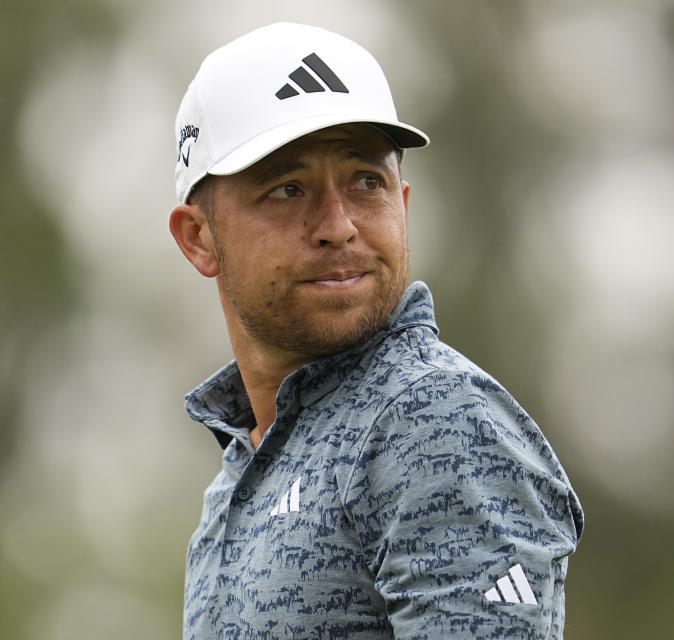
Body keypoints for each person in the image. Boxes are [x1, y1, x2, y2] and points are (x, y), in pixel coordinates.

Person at [168, 22, 583, 639]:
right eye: (287, 189)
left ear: (403, 205)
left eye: (367, 181)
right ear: (200, 237)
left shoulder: (434, 417)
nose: (338, 224)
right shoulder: (238, 475)